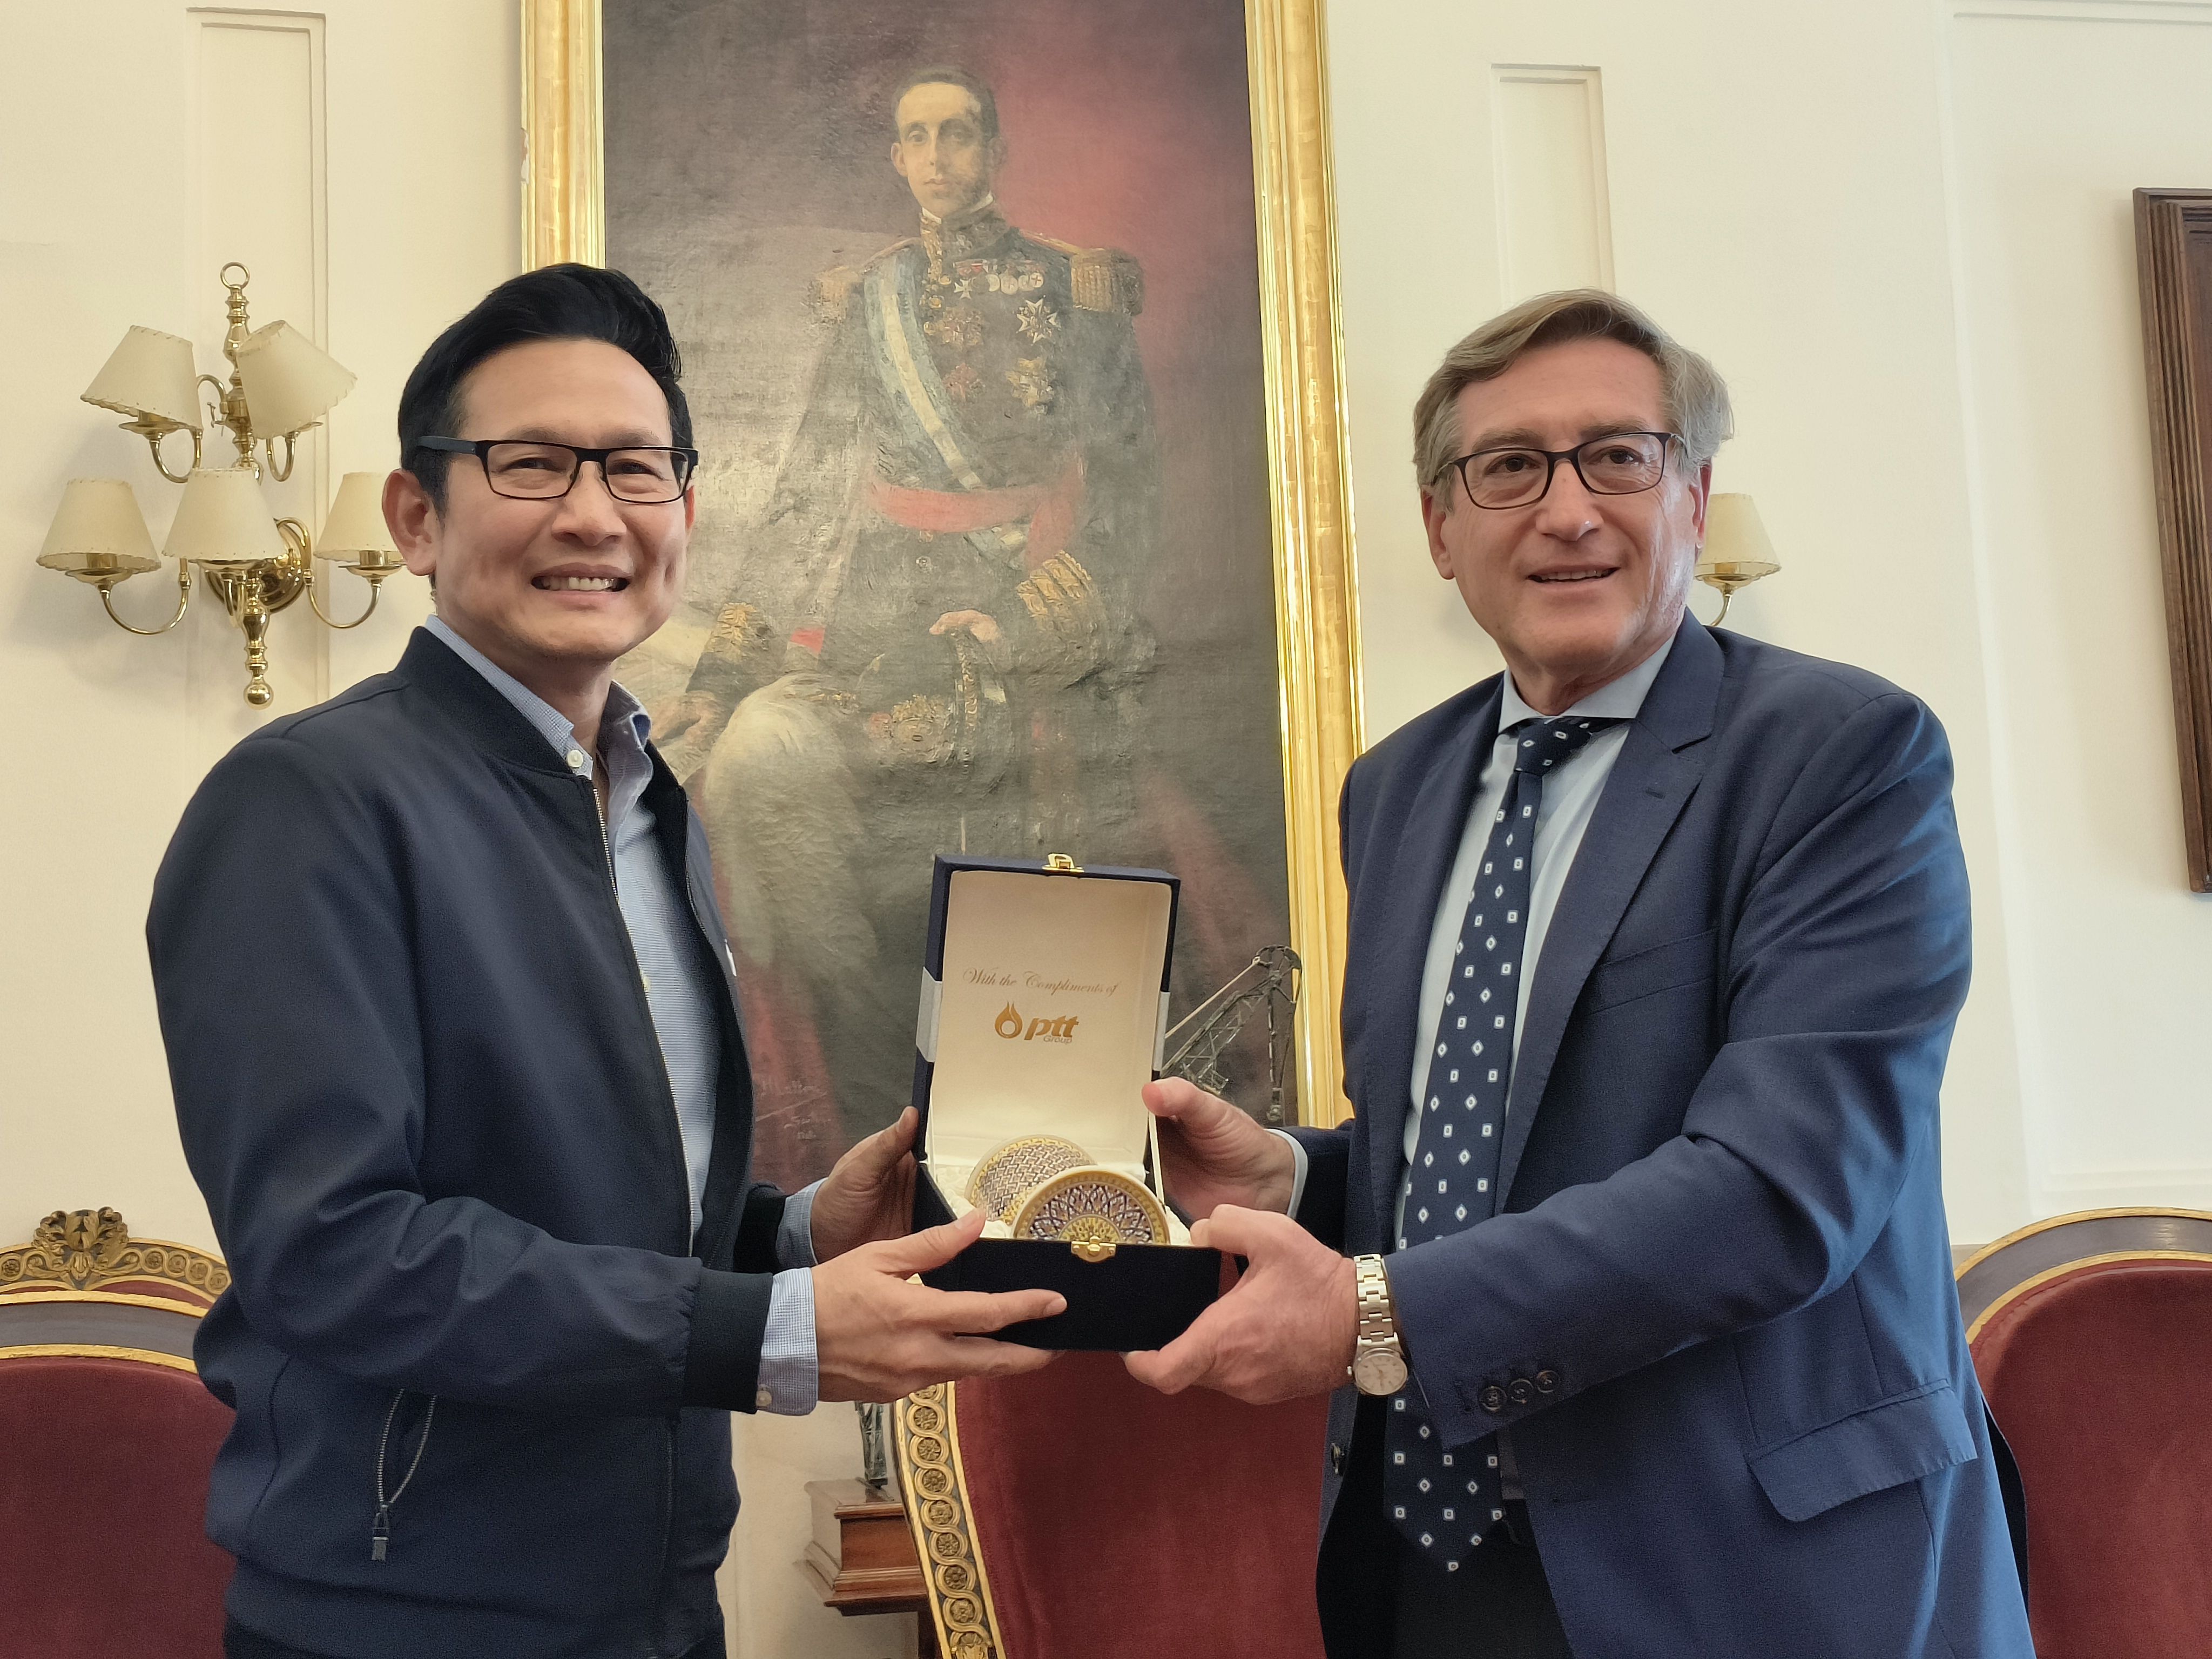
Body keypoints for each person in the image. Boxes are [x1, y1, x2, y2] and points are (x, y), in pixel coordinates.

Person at [147, 265, 1064, 1659]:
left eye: (636, 468)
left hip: (657, 1599)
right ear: (415, 517)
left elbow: (599, 1209)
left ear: (684, 513)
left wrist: (793, 1236)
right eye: (530, 464)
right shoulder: (305, 803)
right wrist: (773, 1331)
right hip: (402, 1617)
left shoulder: (649, 800)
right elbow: (334, 1250)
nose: (592, 514)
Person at [1123, 290, 2033, 1658]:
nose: (1566, 511)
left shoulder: (1842, 754)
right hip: (1440, 1561)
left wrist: (1373, 1311)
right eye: (1507, 467)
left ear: (1692, 497)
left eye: (1616, 457)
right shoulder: (1395, 788)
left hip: (1758, 1571)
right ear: (1440, 527)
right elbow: (1484, 1145)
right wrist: (1298, 1180)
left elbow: (1781, 1190)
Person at [654, 65, 1163, 1169]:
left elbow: (1130, 507)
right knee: (758, 770)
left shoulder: (1073, 290)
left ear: (996, 149)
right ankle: (873, 1089)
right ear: (895, 158)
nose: (937, 157)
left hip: (1018, 639)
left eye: (958, 134)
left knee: (986, 910)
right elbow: (802, 499)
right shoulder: (867, 299)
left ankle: (994, 1141)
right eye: (916, 138)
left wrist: (1018, 624)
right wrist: (722, 677)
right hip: (874, 640)